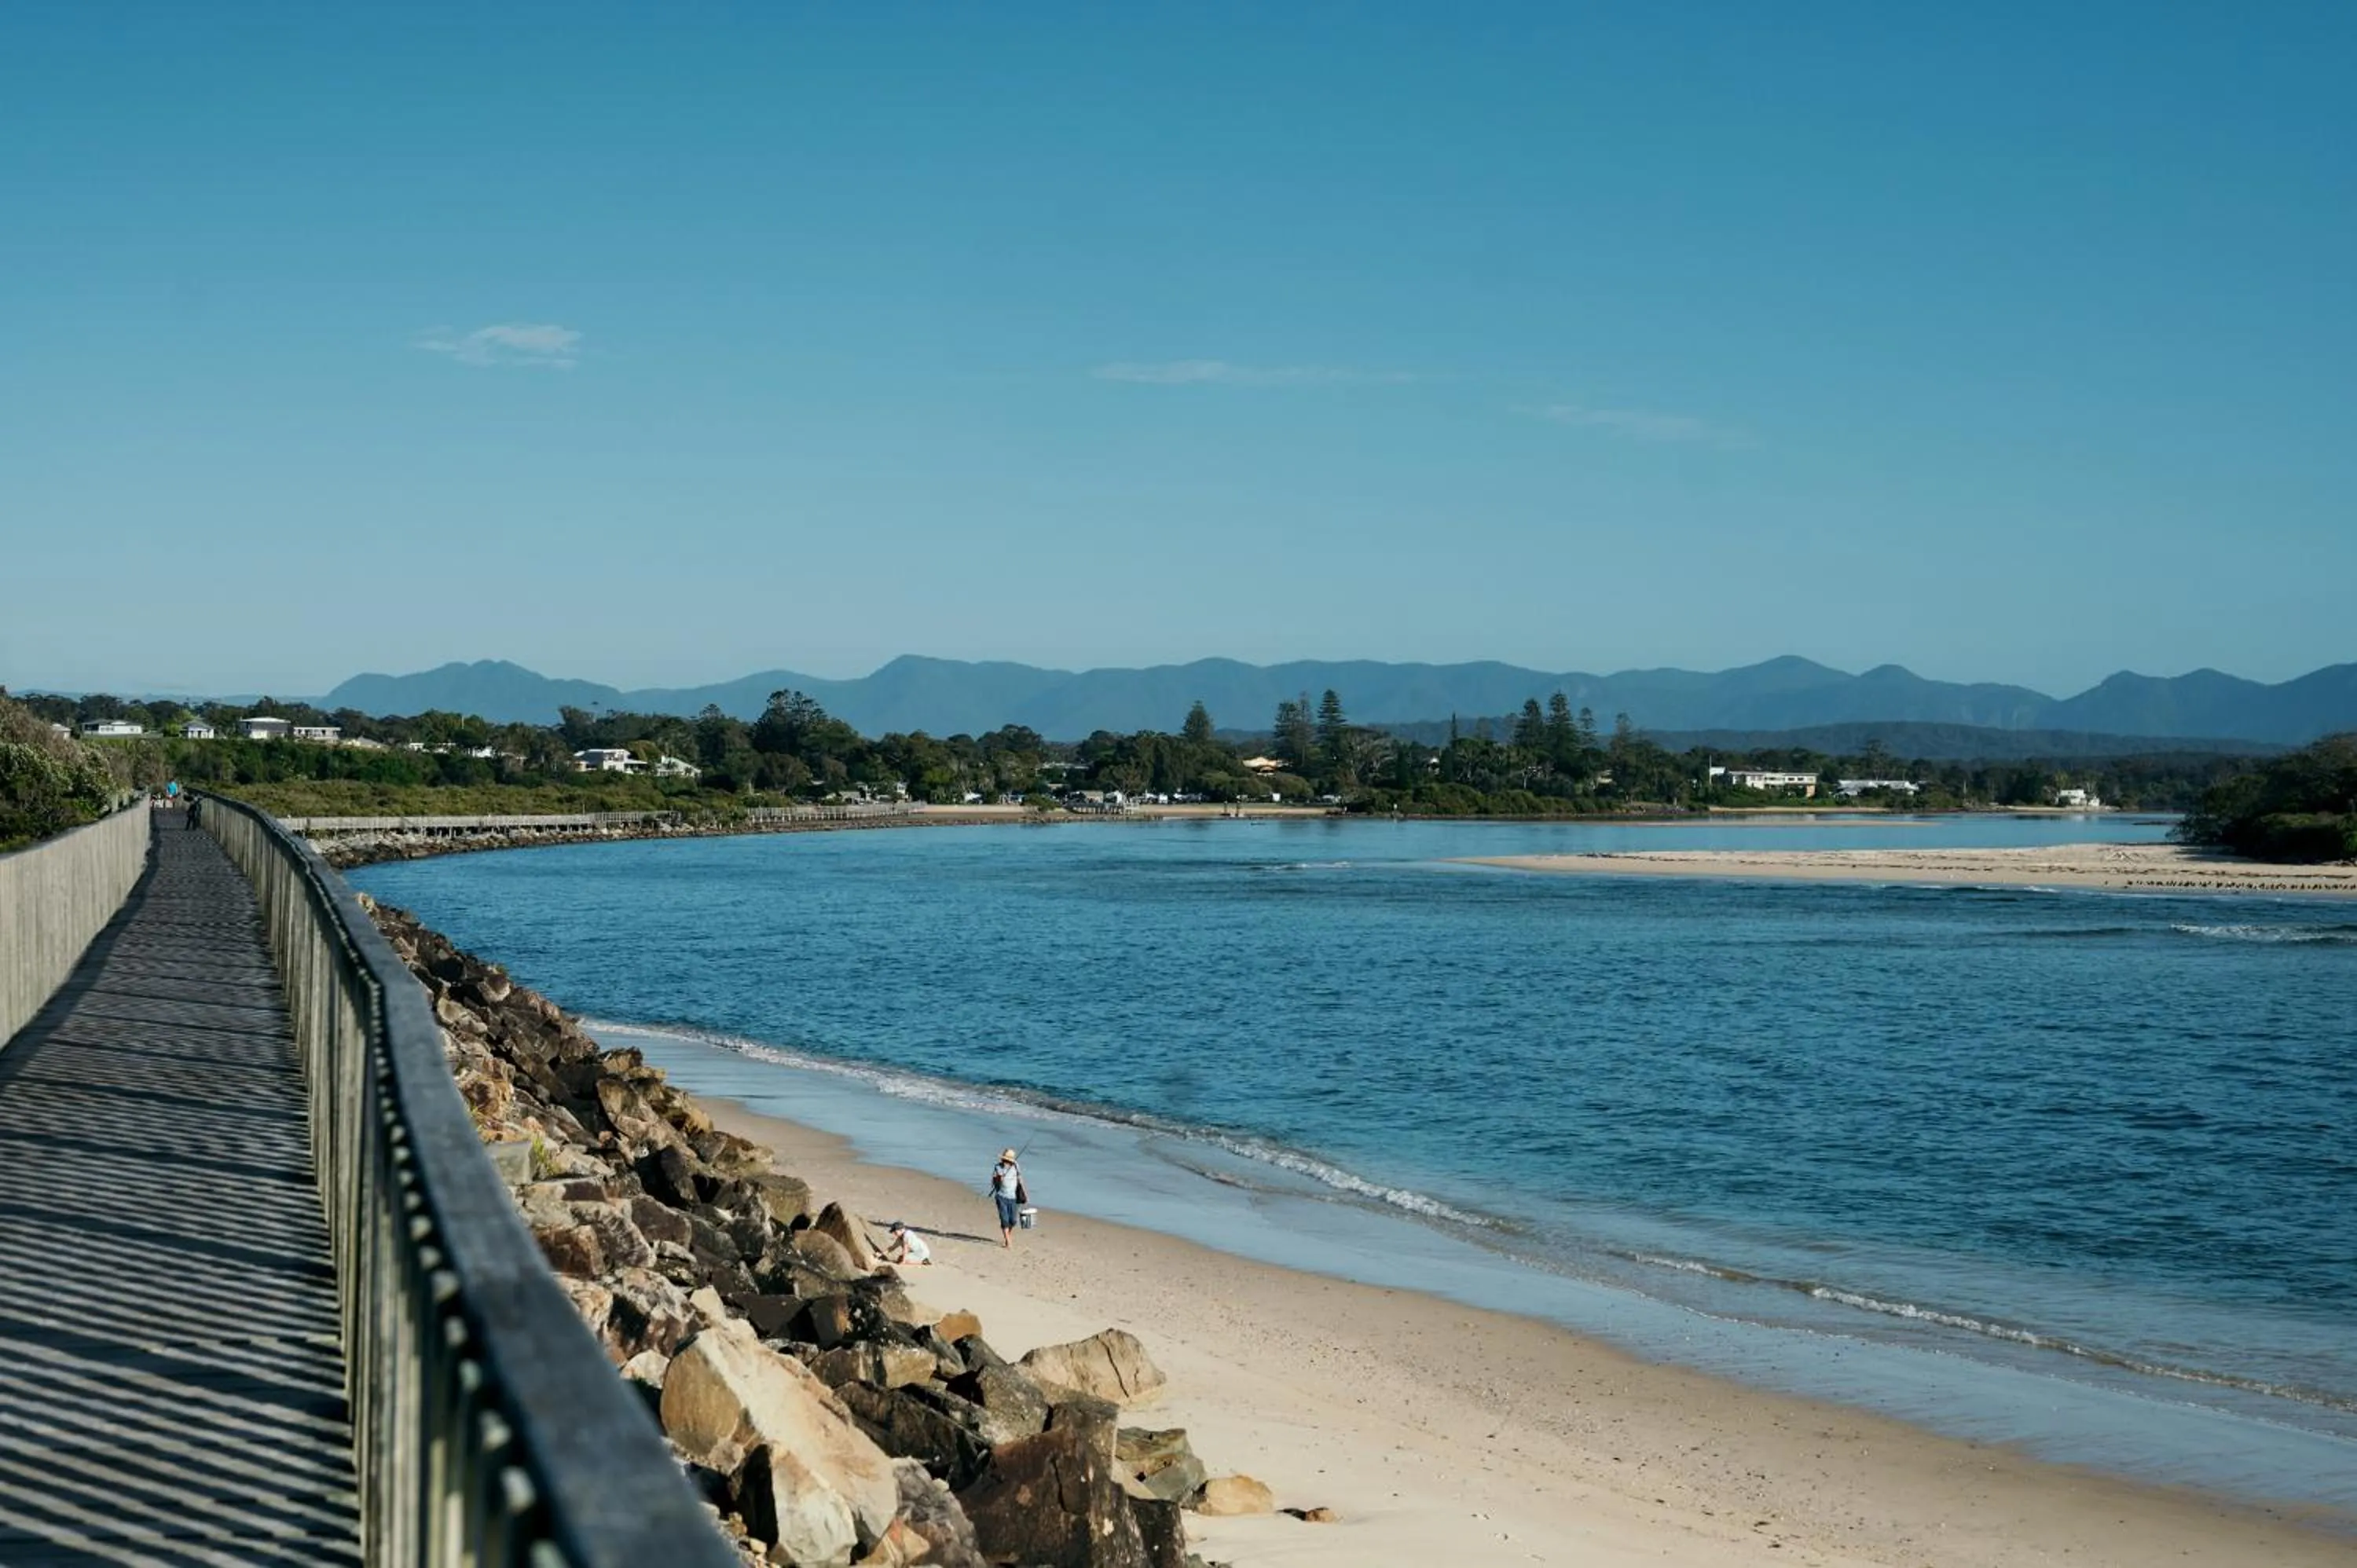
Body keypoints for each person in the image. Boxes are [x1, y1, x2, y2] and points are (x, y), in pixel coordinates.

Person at [988, 1148, 1026, 1247]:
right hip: (1001, 1197)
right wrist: (998, 1179)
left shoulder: (1015, 1166)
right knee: (1004, 1219)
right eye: (1004, 1160)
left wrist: (1025, 1194)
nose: (1006, 1162)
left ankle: (1008, 1235)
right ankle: (1008, 1241)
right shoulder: (998, 1167)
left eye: (1007, 1160)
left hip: (1013, 1197)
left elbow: (1020, 1180)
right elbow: (993, 1182)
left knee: (1013, 1220)